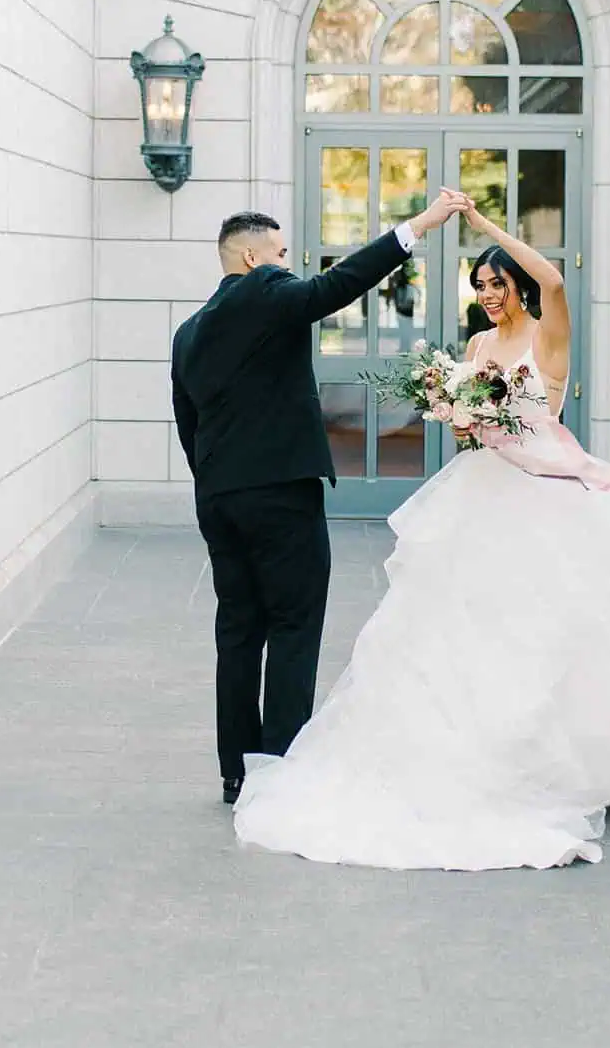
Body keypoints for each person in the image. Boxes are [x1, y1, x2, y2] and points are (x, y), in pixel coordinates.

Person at [234, 196, 610, 870]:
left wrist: (483, 229)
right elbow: (474, 423)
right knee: (466, 630)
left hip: (548, 503)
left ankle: (566, 759)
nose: (487, 296)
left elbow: (556, 282)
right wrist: (459, 414)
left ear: (516, 284)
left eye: (496, 283)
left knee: (556, 632)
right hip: (484, 495)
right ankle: (472, 754)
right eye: (480, 286)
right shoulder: (480, 346)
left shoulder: (548, 334)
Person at [172, 192, 465, 803]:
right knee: (294, 626)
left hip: (220, 499)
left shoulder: (189, 332)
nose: (288, 265)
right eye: (280, 254)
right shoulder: (265, 292)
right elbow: (336, 287)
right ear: (251, 258)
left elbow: (187, 424)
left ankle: (235, 773)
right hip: (279, 495)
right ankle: (277, 767)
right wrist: (417, 228)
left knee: (238, 631)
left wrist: (217, 485)